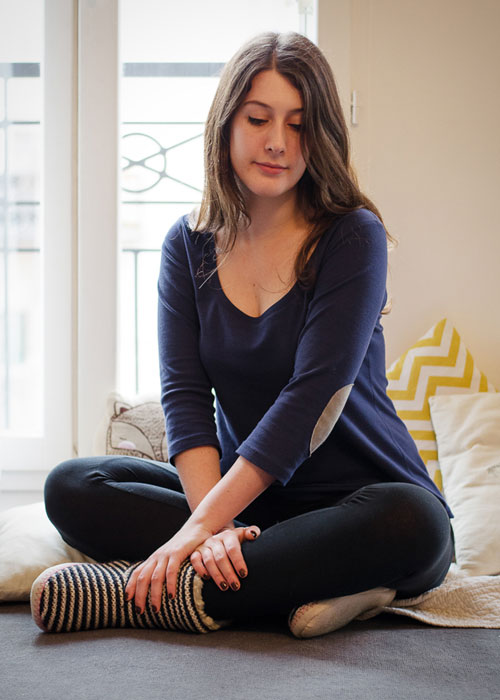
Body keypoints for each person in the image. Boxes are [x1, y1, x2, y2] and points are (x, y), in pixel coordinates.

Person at [31, 31, 454, 638]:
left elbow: (314, 399)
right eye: (258, 118)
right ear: (226, 124)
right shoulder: (187, 244)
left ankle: (137, 595)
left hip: (362, 501)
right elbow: (184, 398)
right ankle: (298, 582)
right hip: (247, 504)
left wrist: (196, 532)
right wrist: (214, 525)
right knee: (74, 486)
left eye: (300, 124)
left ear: (322, 136)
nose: (278, 142)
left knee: (414, 523)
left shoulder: (352, 236)